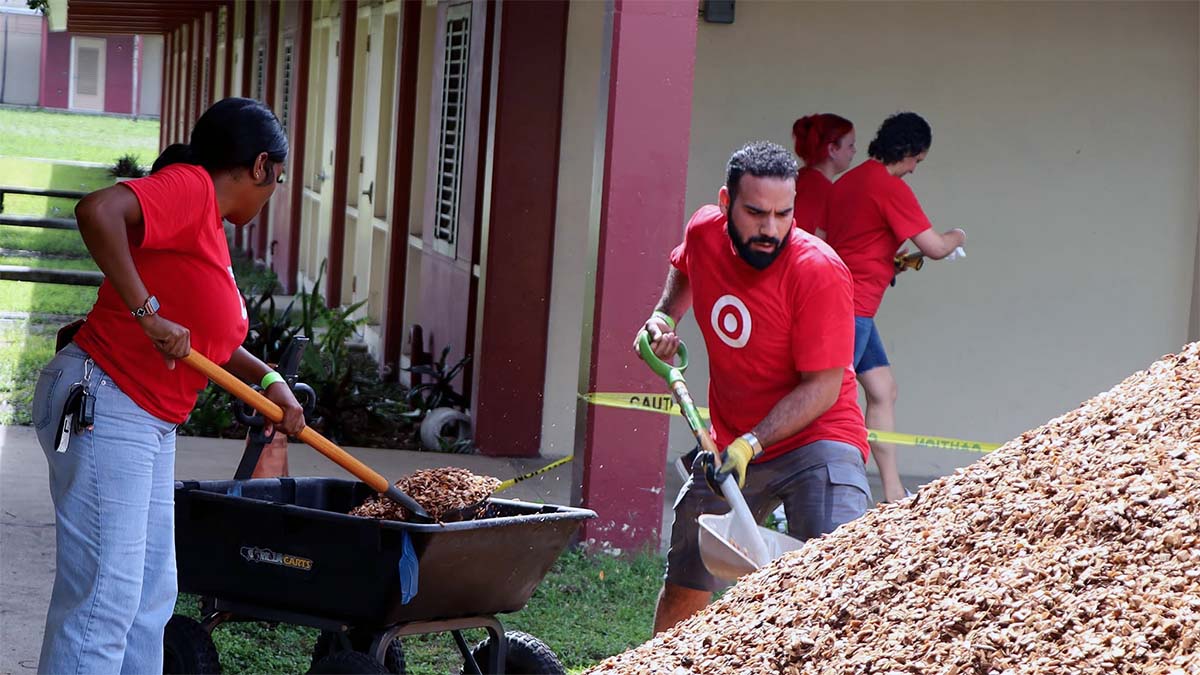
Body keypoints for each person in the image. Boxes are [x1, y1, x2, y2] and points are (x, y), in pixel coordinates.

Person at [33, 97, 307, 674]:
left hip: (149, 419)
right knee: (103, 604)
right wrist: (146, 313)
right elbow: (97, 210)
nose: (271, 193)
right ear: (259, 166)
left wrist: (271, 380)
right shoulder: (191, 188)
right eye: (276, 180)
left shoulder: (208, 225)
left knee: (149, 601)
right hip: (107, 399)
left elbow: (214, 339)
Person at [636, 141, 871, 634]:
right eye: (756, 212)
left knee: (839, 584)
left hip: (817, 440)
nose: (771, 228)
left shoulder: (818, 271)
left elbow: (823, 388)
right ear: (726, 205)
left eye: (784, 214)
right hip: (729, 445)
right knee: (686, 575)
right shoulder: (704, 230)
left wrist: (751, 443)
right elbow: (685, 268)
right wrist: (663, 316)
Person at [824, 112, 966, 503]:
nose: (914, 170)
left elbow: (852, 241)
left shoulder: (848, 182)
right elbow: (935, 247)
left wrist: (892, 261)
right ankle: (817, 489)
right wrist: (958, 236)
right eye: (916, 161)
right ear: (906, 151)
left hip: (847, 304)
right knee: (826, 399)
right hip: (853, 309)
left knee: (883, 390)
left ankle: (890, 492)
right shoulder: (889, 187)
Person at [791, 113, 856, 238]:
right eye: (850, 145)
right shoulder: (821, 190)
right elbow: (807, 235)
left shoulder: (800, 177)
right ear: (832, 149)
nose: (854, 151)